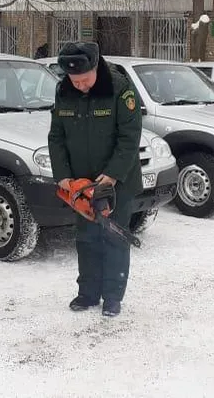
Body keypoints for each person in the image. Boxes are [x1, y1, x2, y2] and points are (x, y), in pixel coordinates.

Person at [47, 41, 143, 318]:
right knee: (87, 238)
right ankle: (87, 293)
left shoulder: (119, 88)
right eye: (74, 81)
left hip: (116, 182)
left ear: (96, 68)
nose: (80, 86)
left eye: (85, 80)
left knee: (113, 238)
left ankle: (113, 296)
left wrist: (112, 174)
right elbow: (57, 137)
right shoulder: (64, 90)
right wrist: (63, 174)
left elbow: (130, 136)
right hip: (82, 184)